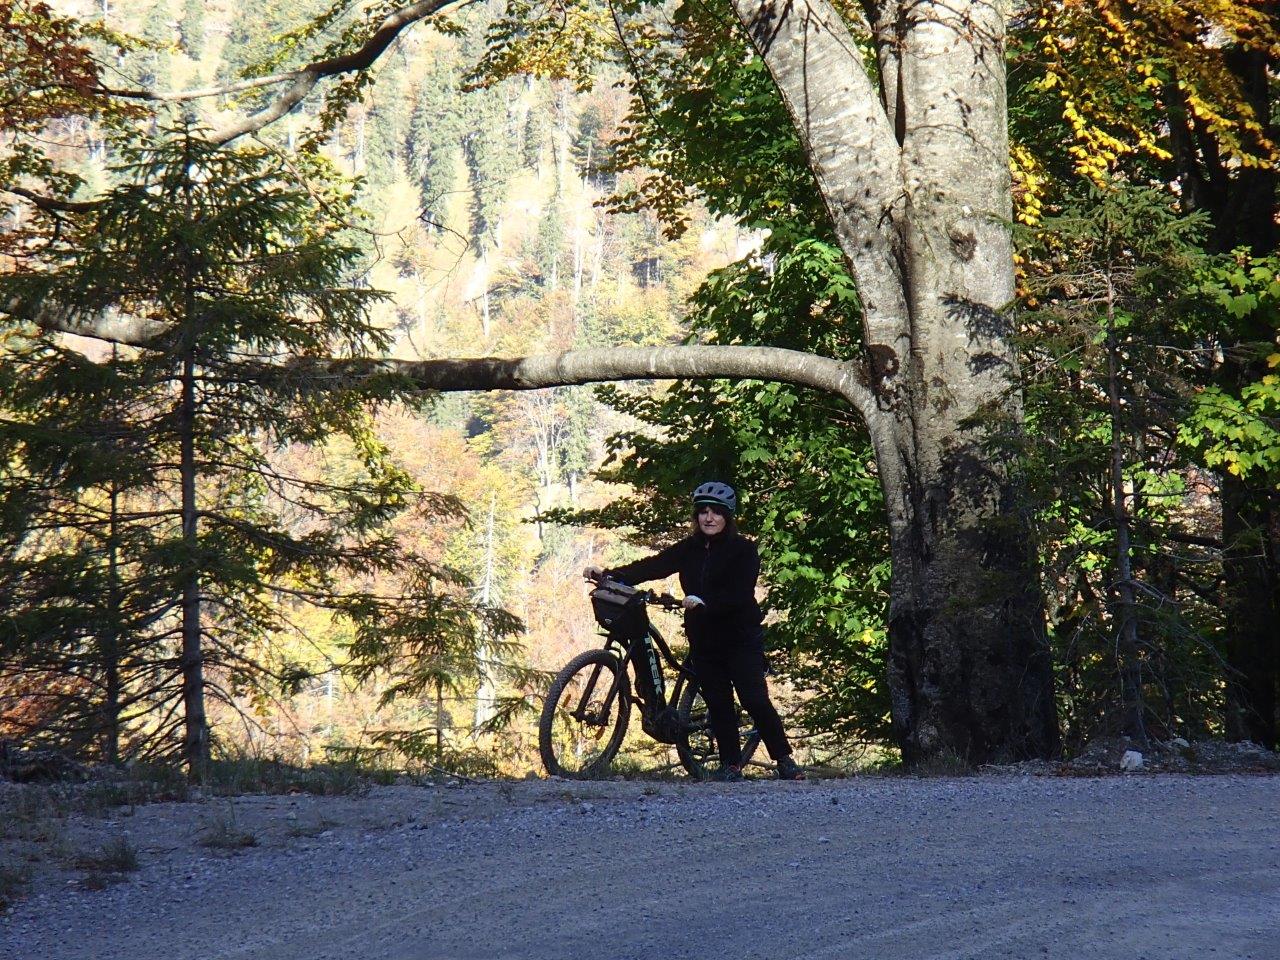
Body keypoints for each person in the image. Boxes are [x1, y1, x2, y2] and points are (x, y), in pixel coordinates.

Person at [584, 481, 804, 781]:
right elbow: (653, 566)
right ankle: (731, 765)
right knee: (718, 701)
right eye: (703, 512)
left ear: (728, 516)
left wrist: (705, 603)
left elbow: (740, 593)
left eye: (716, 512)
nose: (709, 518)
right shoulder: (689, 549)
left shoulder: (744, 550)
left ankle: (785, 760)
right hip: (704, 638)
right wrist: (610, 575)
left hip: (740, 636)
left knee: (753, 698)